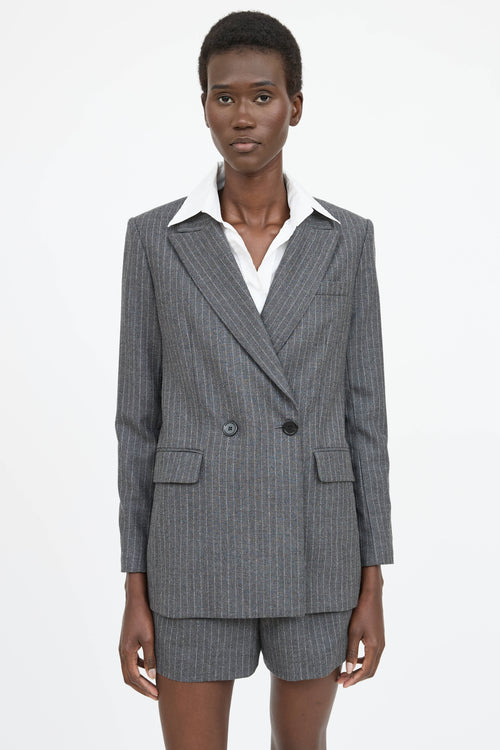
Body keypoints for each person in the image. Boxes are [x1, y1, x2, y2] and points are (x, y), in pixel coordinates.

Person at [115, 10, 394, 750]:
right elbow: (136, 423)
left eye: (263, 96)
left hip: (316, 543)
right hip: (191, 548)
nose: (243, 115)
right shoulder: (156, 239)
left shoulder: (346, 239)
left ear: (295, 107)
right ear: (204, 107)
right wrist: (135, 586)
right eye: (225, 96)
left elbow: (365, 416)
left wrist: (373, 580)